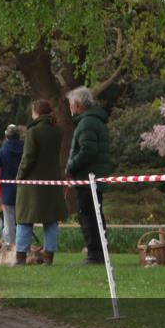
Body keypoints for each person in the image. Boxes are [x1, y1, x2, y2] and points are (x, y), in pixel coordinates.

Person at [14, 100, 68, 266]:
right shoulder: (58, 131)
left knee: (24, 219)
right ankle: (48, 257)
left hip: (31, 183)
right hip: (51, 181)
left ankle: (21, 258)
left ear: (35, 113)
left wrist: (19, 176)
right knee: (50, 220)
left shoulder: (33, 131)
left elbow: (28, 157)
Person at [65, 86, 111, 264]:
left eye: (71, 104)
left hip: (87, 178)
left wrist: (70, 166)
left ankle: (95, 254)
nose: (70, 108)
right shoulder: (94, 121)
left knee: (88, 215)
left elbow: (87, 151)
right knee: (95, 215)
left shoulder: (86, 123)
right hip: (92, 176)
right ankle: (99, 252)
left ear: (77, 105)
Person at [0, 124, 24, 250]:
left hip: (8, 191)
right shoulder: (26, 149)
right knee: (23, 221)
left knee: (9, 222)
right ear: (18, 136)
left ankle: (11, 248)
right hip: (24, 189)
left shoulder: (2, 152)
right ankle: (23, 247)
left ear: (6, 136)